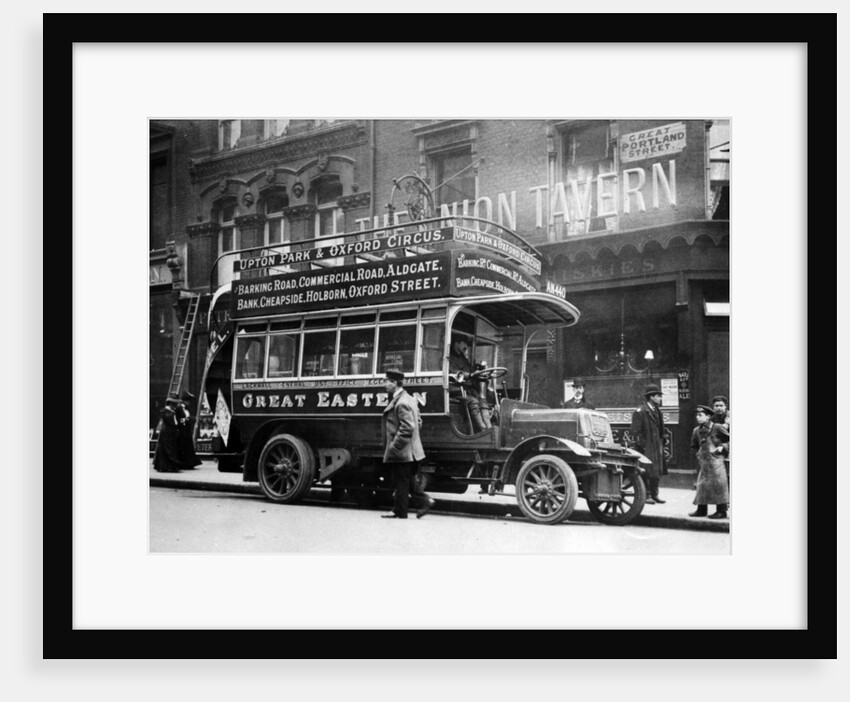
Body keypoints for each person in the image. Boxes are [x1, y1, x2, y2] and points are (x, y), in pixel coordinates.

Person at [381, 369, 434, 519]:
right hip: (411, 450)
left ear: (394, 383)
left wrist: (395, 446)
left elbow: (407, 427)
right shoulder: (410, 399)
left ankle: (402, 511)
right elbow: (418, 422)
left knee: (401, 481)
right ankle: (423, 502)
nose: (385, 384)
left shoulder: (401, 402)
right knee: (405, 480)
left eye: (387, 381)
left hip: (402, 450)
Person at [689, 404, 730, 519]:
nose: (697, 417)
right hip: (704, 463)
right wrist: (697, 454)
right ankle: (701, 510)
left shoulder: (717, 427)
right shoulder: (696, 430)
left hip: (716, 462)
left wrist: (723, 447)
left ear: (708, 417)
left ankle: (721, 511)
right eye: (696, 415)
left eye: (700, 415)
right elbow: (693, 446)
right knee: (702, 486)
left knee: (719, 485)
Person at [629, 384, 668, 505]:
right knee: (646, 471)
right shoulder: (640, 411)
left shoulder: (657, 411)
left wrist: (663, 440)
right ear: (651, 397)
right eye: (658, 396)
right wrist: (643, 446)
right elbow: (635, 432)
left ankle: (655, 494)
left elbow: (661, 429)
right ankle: (647, 495)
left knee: (656, 471)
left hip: (657, 446)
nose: (660, 399)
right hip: (646, 448)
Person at [448, 335, 491, 432]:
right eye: (464, 343)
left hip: (466, 389)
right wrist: (469, 374)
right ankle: (483, 429)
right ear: (456, 343)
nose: (466, 346)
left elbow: (471, 370)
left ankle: (489, 427)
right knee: (473, 401)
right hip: (455, 389)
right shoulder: (448, 357)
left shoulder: (463, 358)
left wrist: (479, 370)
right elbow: (452, 371)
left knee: (482, 399)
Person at [153, 393, 185, 473]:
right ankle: (165, 466)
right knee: (167, 450)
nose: (175, 405)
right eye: (174, 404)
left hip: (171, 432)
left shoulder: (172, 411)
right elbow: (170, 420)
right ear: (170, 404)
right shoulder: (165, 411)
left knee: (171, 449)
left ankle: (170, 466)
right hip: (166, 433)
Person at [177, 391, 203, 469]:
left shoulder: (185, 409)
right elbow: (181, 419)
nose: (189, 403)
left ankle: (188, 463)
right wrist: (190, 419)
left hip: (187, 431)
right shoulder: (179, 408)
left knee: (188, 447)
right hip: (182, 431)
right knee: (183, 448)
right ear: (185, 401)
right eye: (188, 401)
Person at [711, 395, 731, 491]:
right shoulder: (711, 418)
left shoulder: (730, 417)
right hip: (716, 448)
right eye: (716, 406)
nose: (718, 408)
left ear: (725, 406)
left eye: (721, 405)